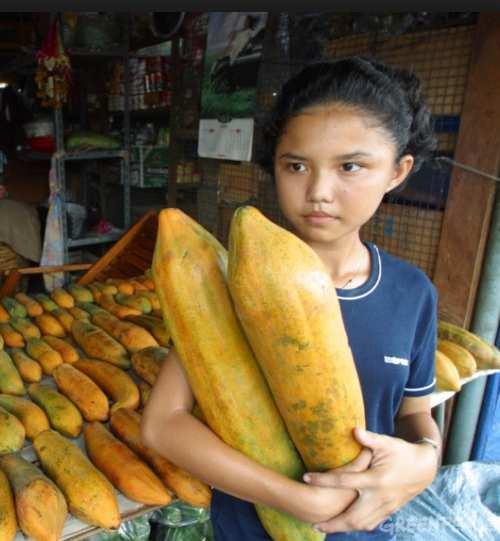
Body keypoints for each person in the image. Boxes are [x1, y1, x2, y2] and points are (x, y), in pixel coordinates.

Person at [141, 56, 441, 540]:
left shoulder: (413, 293)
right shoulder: (231, 285)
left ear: (397, 171)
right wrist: (293, 497)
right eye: (296, 165)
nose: (319, 191)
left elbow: (414, 413)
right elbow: (163, 424)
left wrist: (425, 460)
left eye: (351, 166)